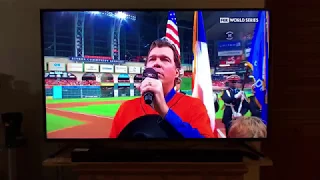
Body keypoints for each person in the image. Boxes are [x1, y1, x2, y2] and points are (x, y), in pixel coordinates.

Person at [109, 38, 216, 138]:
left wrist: (165, 112)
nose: (157, 63)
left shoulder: (194, 106)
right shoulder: (126, 109)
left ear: (177, 72)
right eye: (152, 59)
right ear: (146, 68)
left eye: (165, 59)